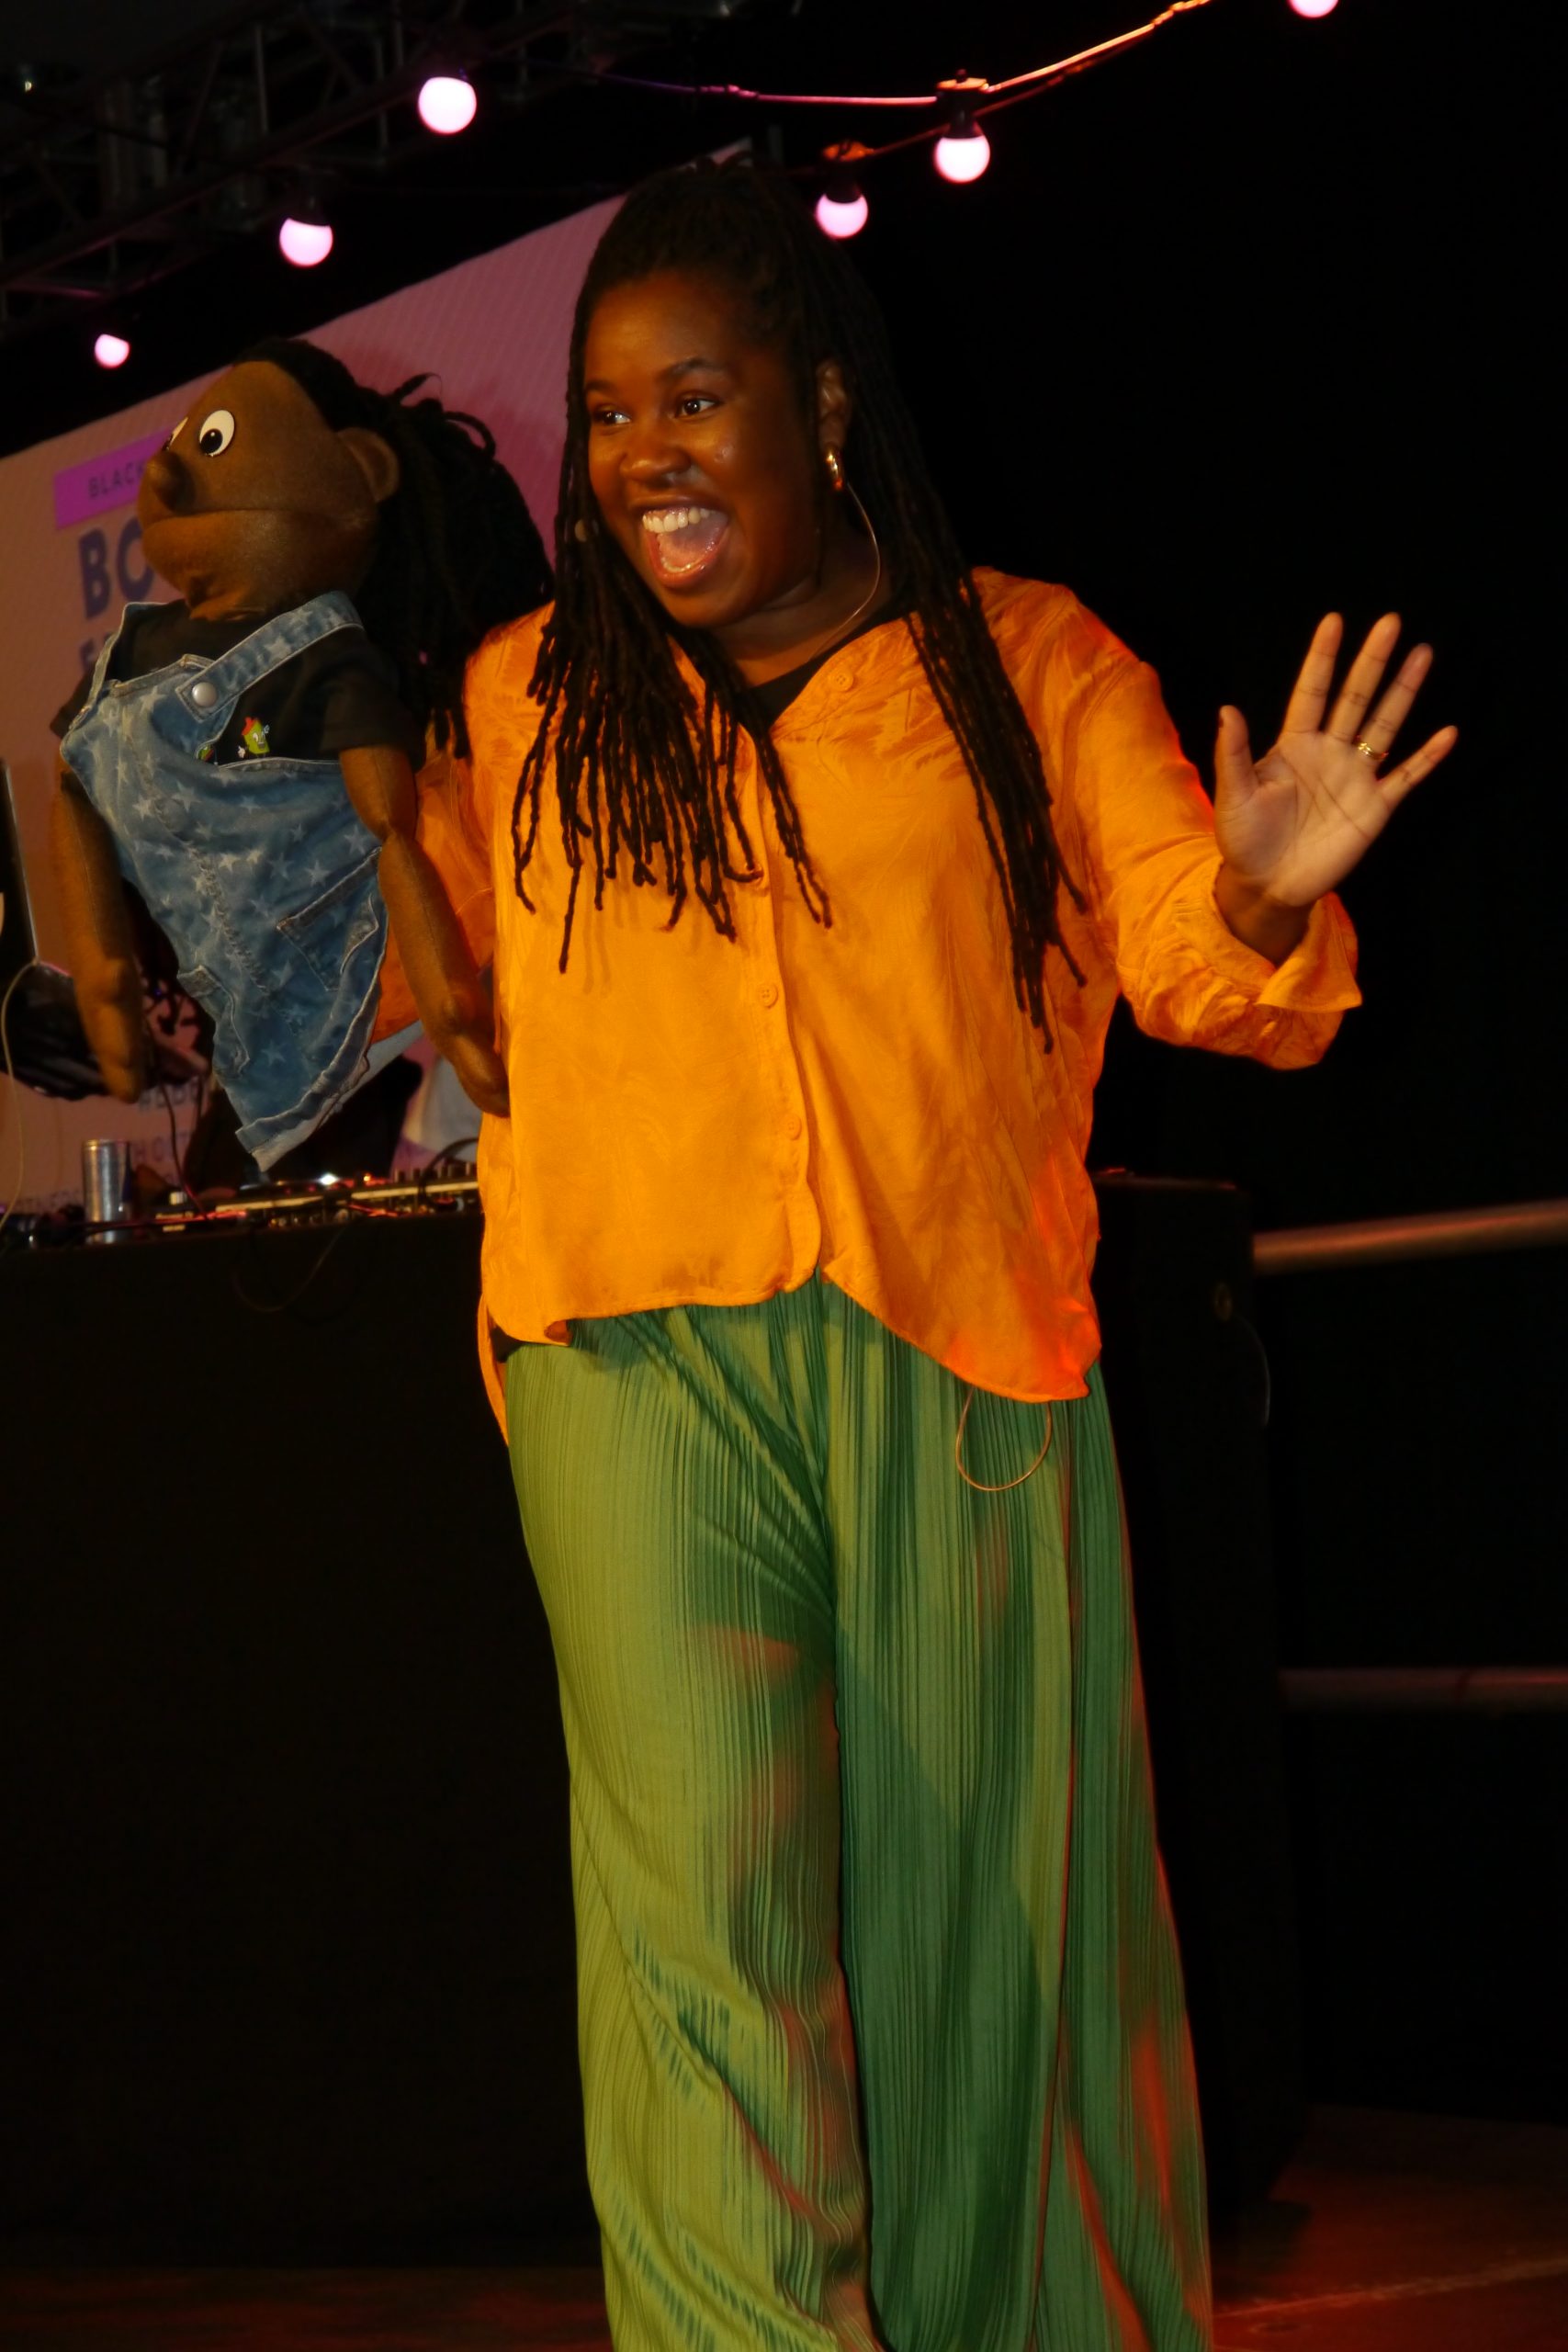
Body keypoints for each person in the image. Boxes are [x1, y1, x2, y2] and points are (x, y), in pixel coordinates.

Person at [436, 160, 1455, 2350]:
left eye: (692, 399)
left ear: (819, 407)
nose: (640, 456)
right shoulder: (523, 695)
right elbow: (450, 989)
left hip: (958, 1349)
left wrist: (1258, 885)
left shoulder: (1026, 661)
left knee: (987, 1942)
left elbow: (1192, 957)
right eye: (605, 414)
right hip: (629, 1358)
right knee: (697, 1941)